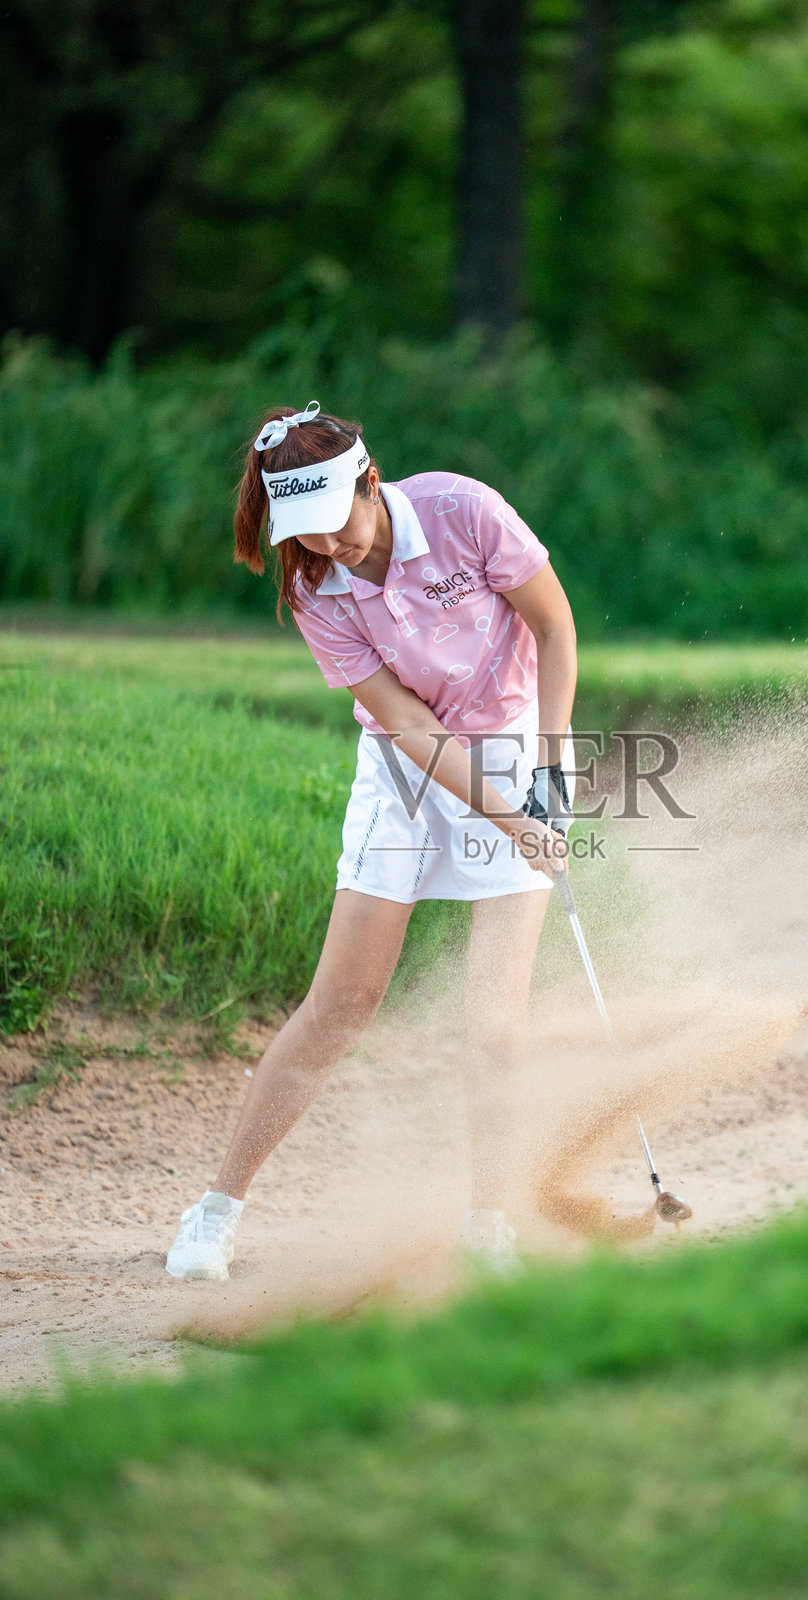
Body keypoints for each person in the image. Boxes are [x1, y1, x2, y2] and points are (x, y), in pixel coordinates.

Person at [165, 402, 577, 1280]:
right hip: (402, 770)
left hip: (510, 743)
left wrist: (547, 772)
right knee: (342, 1005)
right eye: (302, 532)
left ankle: (488, 1227)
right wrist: (512, 824)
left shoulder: (466, 511)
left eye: (334, 522)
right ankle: (215, 1212)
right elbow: (404, 721)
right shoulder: (314, 585)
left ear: (370, 481)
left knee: (494, 1022)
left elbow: (552, 626)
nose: (325, 545)